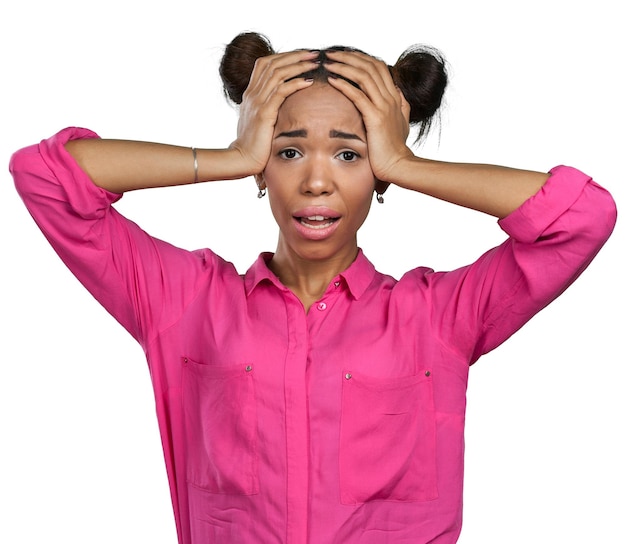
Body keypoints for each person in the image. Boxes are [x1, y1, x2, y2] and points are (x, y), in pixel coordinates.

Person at [9, 31, 616, 544]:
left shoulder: (436, 317)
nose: (317, 180)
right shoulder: (184, 302)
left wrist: (405, 165)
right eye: (289, 150)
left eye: (350, 155)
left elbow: (582, 217)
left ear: (378, 174)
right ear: (261, 169)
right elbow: (44, 175)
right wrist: (228, 156)